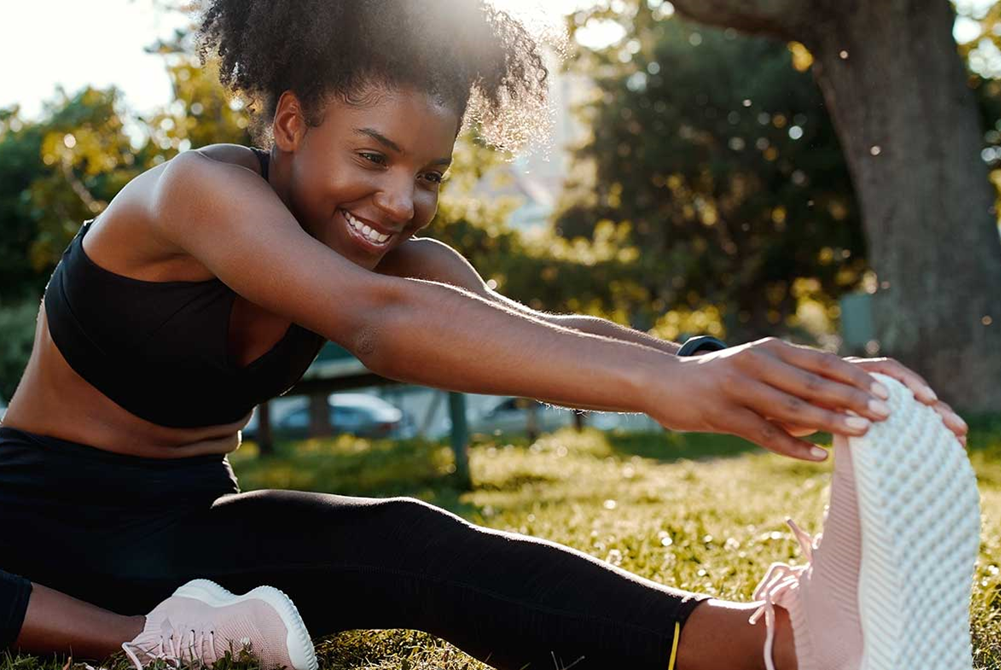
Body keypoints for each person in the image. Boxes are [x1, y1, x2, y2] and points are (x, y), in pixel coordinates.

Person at [0, 1, 975, 669]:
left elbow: (531, 331)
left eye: (427, 174)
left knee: (407, 541)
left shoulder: (394, 263)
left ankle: (780, 643)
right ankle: (138, 637)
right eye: (373, 157)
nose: (400, 201)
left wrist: (720, 368)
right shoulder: (193, 194)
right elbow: (377, 324)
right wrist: (676, 394)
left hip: (186, 534)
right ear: (289, 121)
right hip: (32, 518)